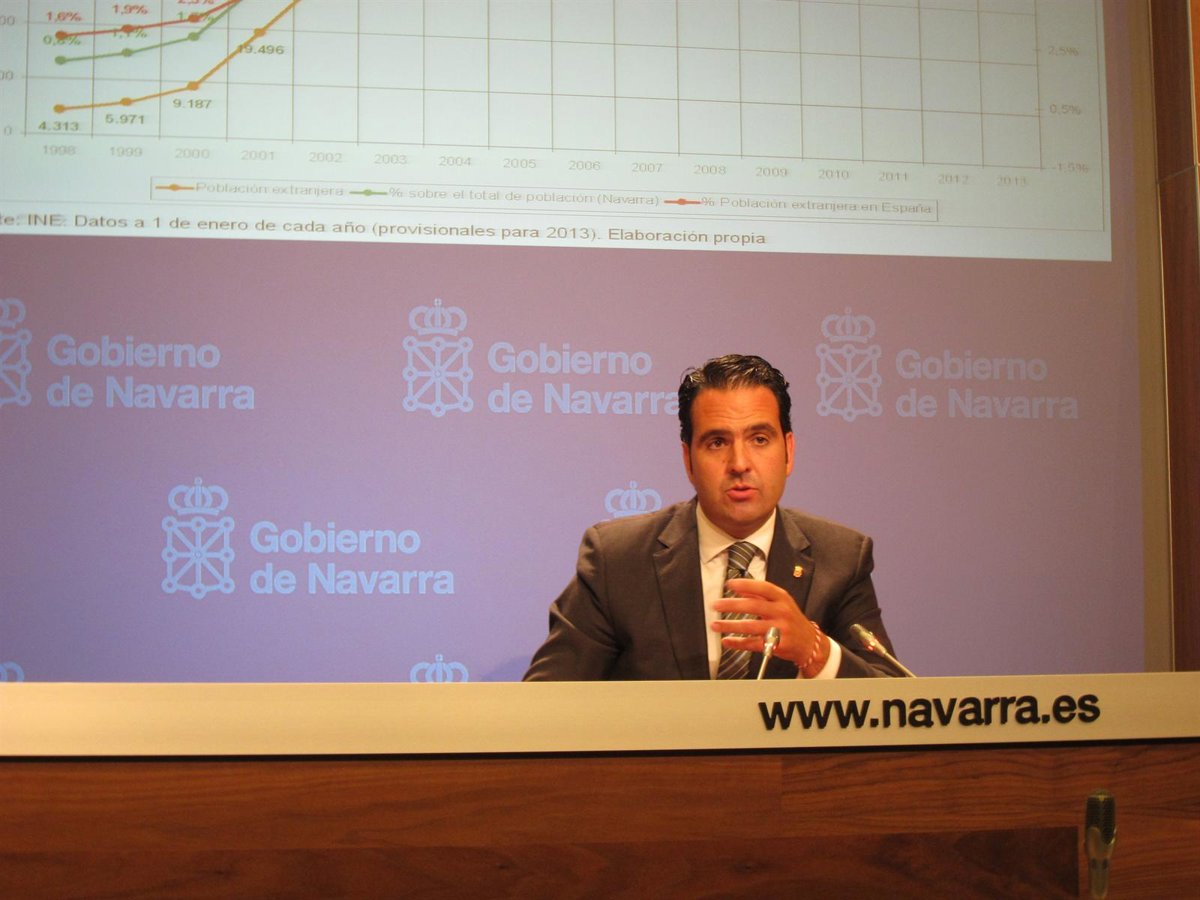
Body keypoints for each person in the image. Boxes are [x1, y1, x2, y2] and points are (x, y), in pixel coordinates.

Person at [523, 354, 903, 680]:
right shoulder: (618, 560)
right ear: (688, 460)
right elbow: (547, 699)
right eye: (717, 442)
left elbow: (896, 705)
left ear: (789, 451)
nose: (739, 464)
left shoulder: (841, 558)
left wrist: (814, 649)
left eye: (759, 439)